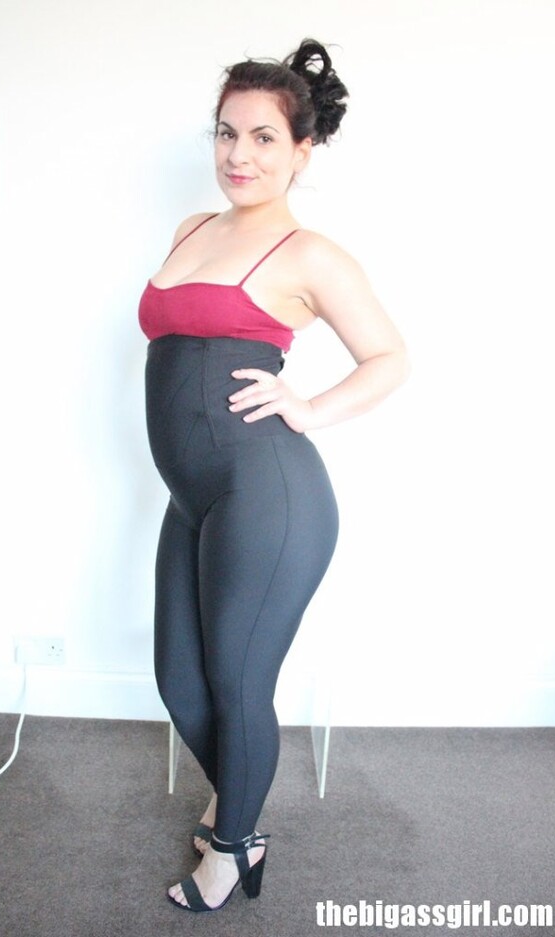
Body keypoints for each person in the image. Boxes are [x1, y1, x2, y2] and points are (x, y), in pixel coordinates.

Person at [138, 38, 410, 913]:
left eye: (262, 138)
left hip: (268, 495)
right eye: (226, 133)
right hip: (192, 495)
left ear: (302, 151)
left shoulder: (309, 253)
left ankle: (233, 848)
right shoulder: (191, 230)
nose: (238, 155)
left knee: (235, 682)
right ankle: (240, 806)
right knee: (179, 680)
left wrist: (309, 407)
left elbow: (389, 357)